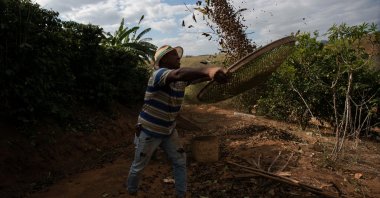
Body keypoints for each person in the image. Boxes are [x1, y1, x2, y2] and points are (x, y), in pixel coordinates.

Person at [126, 45, 227, 197]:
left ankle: (181, 194)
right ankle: (131, 191)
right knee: (139, 166)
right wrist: (208, 71)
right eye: (174, 55)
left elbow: (194, 77)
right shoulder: (158, 75)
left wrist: (215, 73)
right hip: (149, 131)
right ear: (164, 59)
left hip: (168, 130)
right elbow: (180, 74)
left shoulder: (180, 80)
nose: (179, 58)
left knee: (180, 161)